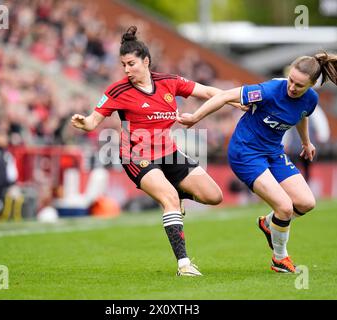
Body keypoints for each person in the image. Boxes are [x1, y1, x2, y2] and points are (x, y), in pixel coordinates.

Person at [71, 26, 244, 276]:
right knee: (169, 200)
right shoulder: (117, 91)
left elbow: (206, 92)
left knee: (213, 196)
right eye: (123, 65)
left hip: (168, 151)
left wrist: (235, 99)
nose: (127, 70)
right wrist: (83, 122)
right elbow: (93, 121)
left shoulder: (169, 82)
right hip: (136, 155)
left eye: (131, 63)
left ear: (146, 61)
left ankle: (176, 195)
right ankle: (183, 264)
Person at [177, 48, 337, 273]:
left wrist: (306, 143)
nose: (292, 87)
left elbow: (301, 115)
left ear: (311, 86)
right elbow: (224, 96)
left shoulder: (310, 99)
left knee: (306, 203)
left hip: (273, 153)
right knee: (285, 207)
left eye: (299, 85)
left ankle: (268, 223)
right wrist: (195, 117)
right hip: (245, 152)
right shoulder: (268, 90)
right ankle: (280, 259)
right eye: (291, 80)